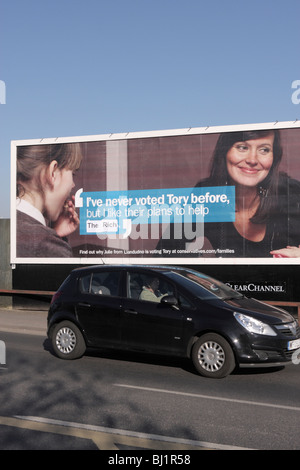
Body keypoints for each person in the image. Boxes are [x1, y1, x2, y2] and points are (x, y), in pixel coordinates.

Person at [159, 129, 300, 257]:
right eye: (242, 147)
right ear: (225, 151)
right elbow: (163, 253)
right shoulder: (207, 193)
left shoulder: (293, 192)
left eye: (264, 150)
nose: (252, 160)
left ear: (274, 157)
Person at [16, 143, 82, 257]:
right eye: (73, 173)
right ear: (53, 172)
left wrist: (54, 235)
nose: (73, 185)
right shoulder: (50, 247)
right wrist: (54, 243)